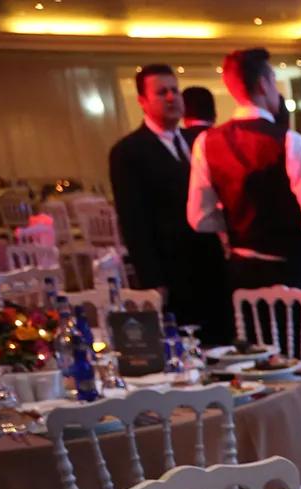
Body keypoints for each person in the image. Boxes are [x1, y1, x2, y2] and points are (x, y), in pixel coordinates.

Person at [188, 47, 301, 364]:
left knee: (255, 363)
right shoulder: (290, 142)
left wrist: (240, 221)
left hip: (243, 276)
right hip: (292, 274)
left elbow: (199, 217)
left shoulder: (206, 142)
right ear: (263, 84)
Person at [109, 64, 232, 344]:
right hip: (172, 270)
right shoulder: (129, 151)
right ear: (142, 101)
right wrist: (153, 281)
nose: (171, 98)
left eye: (175, 91)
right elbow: (133, 221)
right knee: (188, 347)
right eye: (161, 92)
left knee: (224, 343)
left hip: (211, 265)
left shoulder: (196, 140)